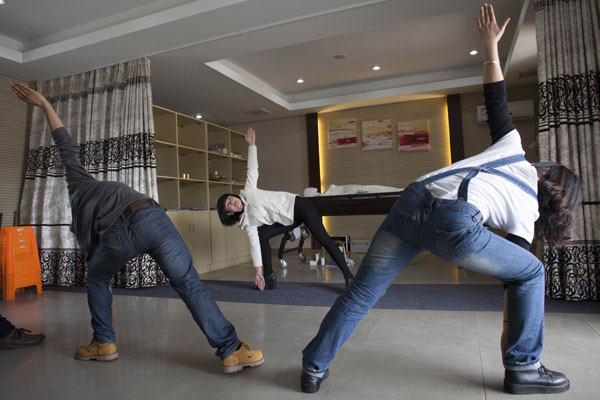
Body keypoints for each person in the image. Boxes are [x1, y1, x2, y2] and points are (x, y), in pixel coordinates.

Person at [299, 4, 582, 395]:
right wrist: (511, 351)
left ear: (547, 173)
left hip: (411, 199)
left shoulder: (512, 148)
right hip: (454, 220)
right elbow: (512, 284)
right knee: (531, 271)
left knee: (361, 292)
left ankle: (313, 367)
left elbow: (495, 98)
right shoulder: (527, 215)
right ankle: (526, 367)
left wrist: (490, 47)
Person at [10, 82, 263, 373]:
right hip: (153, 216)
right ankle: (231, 351)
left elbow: (97, 259)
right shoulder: (84, 183)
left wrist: (43, 104)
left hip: (123, 228)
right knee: (189, 284)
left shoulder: (78, 196)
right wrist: (44, 103)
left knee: (95, 276)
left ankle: (103, 342)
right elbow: (64, 142)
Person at [216, 127, 354, 291]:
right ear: (230, 213)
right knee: (261, 236)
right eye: (229, 205)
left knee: (324, 240)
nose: (233, 202)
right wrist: (258, 273)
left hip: (299, 207)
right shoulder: (248, 223)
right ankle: (268, 277)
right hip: (288, 220)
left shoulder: (248, 191)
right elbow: (254, 247)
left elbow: (252, 169)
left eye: (231, 198)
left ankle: (349, 277)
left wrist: (252, 146)